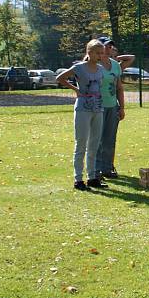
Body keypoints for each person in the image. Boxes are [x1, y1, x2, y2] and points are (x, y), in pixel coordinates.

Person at [56, 40, 107, 190]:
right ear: (89, 53)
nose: (100, 56)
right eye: (97, 53)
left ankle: (92, 177)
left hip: (98, 109)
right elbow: (60, 78)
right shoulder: (79, 68)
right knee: (81, 144)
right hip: (83, 109)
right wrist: (75, 89)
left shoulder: (100, 69)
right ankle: (78, 179)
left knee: (94, 144)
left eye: (101, 53)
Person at [94, 36, 135, 179]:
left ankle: (107, 168)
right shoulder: (94, 64)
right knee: (97, 139)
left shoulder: (115, 65)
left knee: (110, 139)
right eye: (106, 46)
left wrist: (122, 107)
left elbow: (119, 88)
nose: (109, 48)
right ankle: (95, 169)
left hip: (113, 106)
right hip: (97, 107)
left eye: (110, 46)